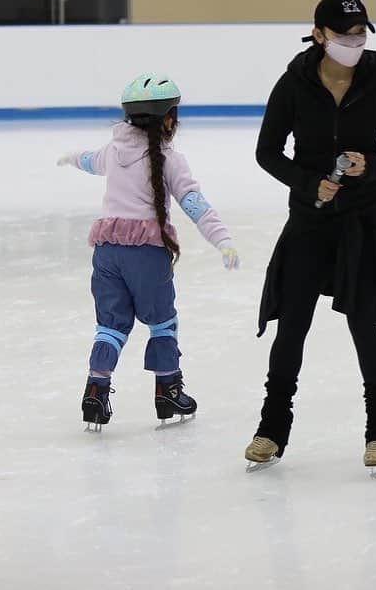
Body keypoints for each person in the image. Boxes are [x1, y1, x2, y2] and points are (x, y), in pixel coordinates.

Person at [246, 0, 376, 475]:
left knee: (364, 323)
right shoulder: (294, 84)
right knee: (292, 325)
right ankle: (271, 429)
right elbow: (268, 152)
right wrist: (306, 180)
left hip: (363, 221)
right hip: (309, 219)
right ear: (319, 34)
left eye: (361, 34)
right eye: (344, 35)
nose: (354, 42)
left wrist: (371, 167)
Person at [58, 73, 240, 432]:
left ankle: (95, 392)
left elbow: (92, 160)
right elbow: (194, 204)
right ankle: (168, 391)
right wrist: (222, 240)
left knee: (109, 325)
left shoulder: (114, 151)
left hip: (107, 250)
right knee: (161, 322)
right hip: (146, 253)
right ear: (168, 118)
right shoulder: (171, 158)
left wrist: (72, 158)